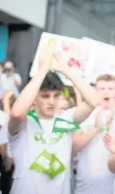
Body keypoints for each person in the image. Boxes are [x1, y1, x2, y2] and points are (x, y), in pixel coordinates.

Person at [8, 46, 101, 194]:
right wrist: (42, 71)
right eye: (45, 96)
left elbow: (93, 101)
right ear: (34, 98)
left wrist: (66, 70)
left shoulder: (65, 119)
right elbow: (16, 114)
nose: (51, 101)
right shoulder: (25, 122)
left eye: (56, 95)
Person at [73, 74, 115, 194]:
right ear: (95, 91)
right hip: (85, 186)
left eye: (110, 89)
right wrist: (96, 128)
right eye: (102, 89)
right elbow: (73, 148)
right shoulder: (85, 115)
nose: (106, 92)